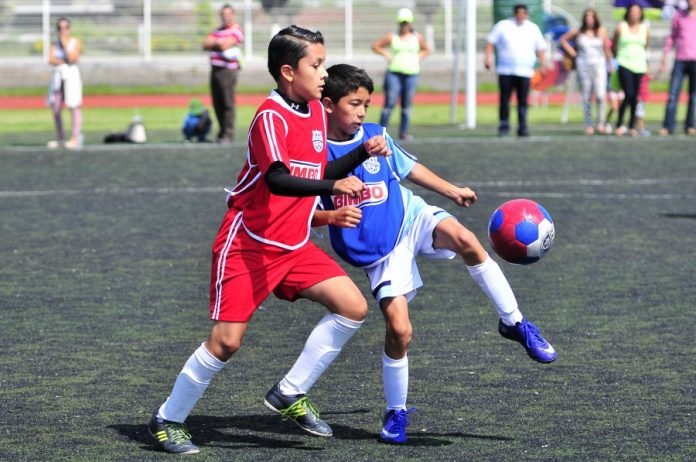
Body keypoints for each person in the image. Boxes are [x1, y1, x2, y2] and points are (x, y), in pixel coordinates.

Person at [147, 26, 390, 454]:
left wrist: (361, 153)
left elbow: (318, 174)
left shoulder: (315, 110)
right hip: (249, 245)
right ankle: (167, 419)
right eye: (315, 65)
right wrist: (332, 191)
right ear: (286, 71)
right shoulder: (269, 117)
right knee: (226, 343)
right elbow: (278, 180)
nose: (323, 72)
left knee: (352, 307)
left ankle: (290, 392)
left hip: (293, 244)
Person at [315, 64, 557, 445]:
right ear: (328, 105)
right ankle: (397, 412)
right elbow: (302, 211)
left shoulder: (376, 134)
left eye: (366, 104)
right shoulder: (315, 153)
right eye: (354, 104)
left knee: (467, 241)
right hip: (379, 254)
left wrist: (452, 191)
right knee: (400, 330)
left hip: (410, 216)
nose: (362, 112)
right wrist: (330, 216)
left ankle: (515, 322)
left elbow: (411, 169)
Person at [484, 4, 548, 137]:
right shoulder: (503, 25)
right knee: (504, 99)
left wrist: (543, 64)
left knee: (523, 100)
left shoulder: (532, 28)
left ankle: (522, 126)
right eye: (518, 12)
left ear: (527, 14)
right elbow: (490, 42)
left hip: (525, 71)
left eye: (523, 13)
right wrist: (488, 58)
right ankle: (504, 125)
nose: (521, 15)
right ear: (514, 14)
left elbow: (540, 48)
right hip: (505, 70)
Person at [371, 8, 430, 141]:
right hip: (394, 73)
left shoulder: (417, 37)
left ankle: (403, 132)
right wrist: (386, 54)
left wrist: (418, 57)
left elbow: (426, 49)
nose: (404, 25)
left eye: (406, 22)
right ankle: (381, 132)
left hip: (412, 74)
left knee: (406, 105)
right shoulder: (392, 36)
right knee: (390, 103)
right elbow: (376, 46)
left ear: (410, 23)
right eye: (402, 22)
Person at [559, 8, 612, 135]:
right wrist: (572, 53)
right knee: (586, 95)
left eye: (592, 17)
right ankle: (588, 123)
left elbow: (606, 49)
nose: (589, 19)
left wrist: (611, 64)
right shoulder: (579, 31)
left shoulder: (601, 31)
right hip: (583, 65)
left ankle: (601, 122)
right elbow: (563, 40)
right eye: (587, 17)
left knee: (600, 94)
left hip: (599, 65)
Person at [203, 3, 243, 144]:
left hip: (227, 71)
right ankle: (221, 132)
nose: (225, 17)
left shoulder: (236, 30)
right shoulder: (218, 30)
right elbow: (205, 43)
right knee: (217, 102)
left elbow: (223, 45)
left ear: (233, 15)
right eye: (223, 14)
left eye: (228, 14)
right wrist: (217, 42)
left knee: (227, 102)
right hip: (215, 69)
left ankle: (228, 133)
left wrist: (216, 42)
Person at [658, 0, 696, 136]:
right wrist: (665, 55)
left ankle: (691, 125)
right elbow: (671, 37)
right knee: (673, 94)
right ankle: (668, 126)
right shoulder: (679, 15)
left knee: (694, 97)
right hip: (680, 60)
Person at [612, 2, 650, 137]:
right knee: (628, 94)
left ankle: (631, 126)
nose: (634, 14)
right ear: (628, 13)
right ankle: (619, 124)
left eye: (637, 11)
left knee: (635, 97)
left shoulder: (645, 29)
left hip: (639, 66)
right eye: (632, 11)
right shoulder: (621, 27)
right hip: (624, 64)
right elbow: (614, 45)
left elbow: (645, 46)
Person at [47, 17, 83, 149]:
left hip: (71, 76)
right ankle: (60, 137)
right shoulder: (54, 44)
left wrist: (64, 44)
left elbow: (72, 58)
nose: (63, 31)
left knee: (74, 106)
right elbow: (51, 59)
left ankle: (75, 137)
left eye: (65, 27)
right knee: (56, 108)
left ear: (69, 28)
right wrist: (61, 60)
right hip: (58, 76)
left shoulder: (74, 42)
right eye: (60, 28)